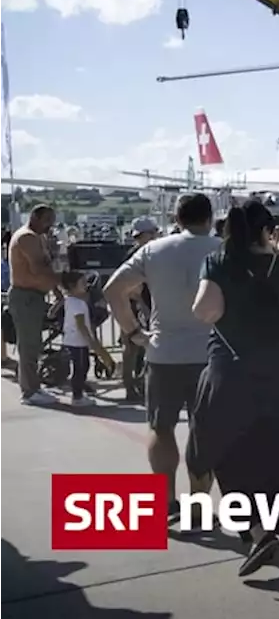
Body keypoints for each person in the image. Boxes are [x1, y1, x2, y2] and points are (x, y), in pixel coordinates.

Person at [189, 200, 279, 576]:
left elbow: (205, 312)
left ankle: (256, 530)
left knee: (227, 449)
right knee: (277, 450)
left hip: (231, 370)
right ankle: (268, 527)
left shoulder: (218, 263)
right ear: (268, 231)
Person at [104, 194, 222, 520]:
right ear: (209, 218)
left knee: (162, 426)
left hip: (164, 352)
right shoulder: (224, 249)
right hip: (213, 353)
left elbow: (113, 290)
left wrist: (133, 333)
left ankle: (166, 501)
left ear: (177, 217)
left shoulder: (153, 250)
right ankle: (198, 505)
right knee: (206, 429)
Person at [8, 205, 60, 406]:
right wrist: (62, 279)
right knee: (28, 345)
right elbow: (39, 268)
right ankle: (30, 392)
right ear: (34, 217)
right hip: (26, 296)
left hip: (35, 296)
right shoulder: (26, 237)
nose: (50, 226)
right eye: (48, 220)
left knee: (34, 343)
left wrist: (56, 291)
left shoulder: (38, 237)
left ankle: (33, 386)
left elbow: (46, 267)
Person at [59, 270, 115, 407]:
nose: (86, 285)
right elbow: (80, 325)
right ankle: (77, 397)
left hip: (77, 341)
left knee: (84, 366)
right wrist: (91, 341)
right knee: (79, 369)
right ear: (72, 287)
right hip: (77, 342)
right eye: (82, 283)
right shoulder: (77, 304)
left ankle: (80, 392)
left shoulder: (71, 300)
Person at [121, 217, 160, 402]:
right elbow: (132, 289)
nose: (155, 236)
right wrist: (143, 308)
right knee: (132, 348)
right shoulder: (138, 255)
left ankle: (137, 384)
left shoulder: (146, 253)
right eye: (152, 233)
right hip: (134, 306)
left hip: (141, 305)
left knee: (139, 349)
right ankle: (131, 387)